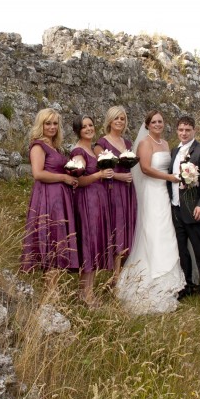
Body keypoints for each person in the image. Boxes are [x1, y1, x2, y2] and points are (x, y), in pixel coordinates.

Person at [116, 110, 185, 314]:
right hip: (151, 193)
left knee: (166, 234)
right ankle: (149, 281)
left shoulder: (164, 144)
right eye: (153, 122)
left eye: (160, 121)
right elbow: (145, 168)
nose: (157, 124)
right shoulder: (145, 143)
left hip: (164, 193)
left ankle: (167, 285)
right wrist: (170, 177)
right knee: (154, 233)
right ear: (147, 125)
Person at [21, 108, 79, 277]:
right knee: (51, 237)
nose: (52, 127)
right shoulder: (38, 145)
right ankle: (49, 294)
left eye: (55, 123)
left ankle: (53, 292)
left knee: (58, 239)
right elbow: (38, 173)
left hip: (60, 197)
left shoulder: (55, 147)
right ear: (41, 124)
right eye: (48, 123)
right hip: (47, 196)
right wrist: (63, 178)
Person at [168, 115, 200, 307]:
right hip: (176, 208)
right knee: (181, 251)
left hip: (196, 209)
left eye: (187, 130)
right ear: (177, 131)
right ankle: (186, 285)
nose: (184, 133)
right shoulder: (174, 151)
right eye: (180, 130)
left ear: (194, 130)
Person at [70, 115, 114, 307]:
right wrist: (99, 174)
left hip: (99, 199)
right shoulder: (79, 152)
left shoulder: (93, 150)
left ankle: (88, 292)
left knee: (96, 244)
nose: (89, 128)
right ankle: (85, 294)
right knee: (88, 244)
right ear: (78, 130)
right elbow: (78, 181)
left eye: (90, 125)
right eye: (84, 126)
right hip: (87, 201)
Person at [94, 106, 137, 275]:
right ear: (109, 121)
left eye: (122, 119)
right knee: (117, 227)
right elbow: (102, 170)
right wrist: (120, 177)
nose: (119, 121)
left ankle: (124, 272)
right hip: (112, 190)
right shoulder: (101, 143)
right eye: (116, 118)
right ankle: (114, 275)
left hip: (127, 191)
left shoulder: (127, 144)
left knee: (127, 226)